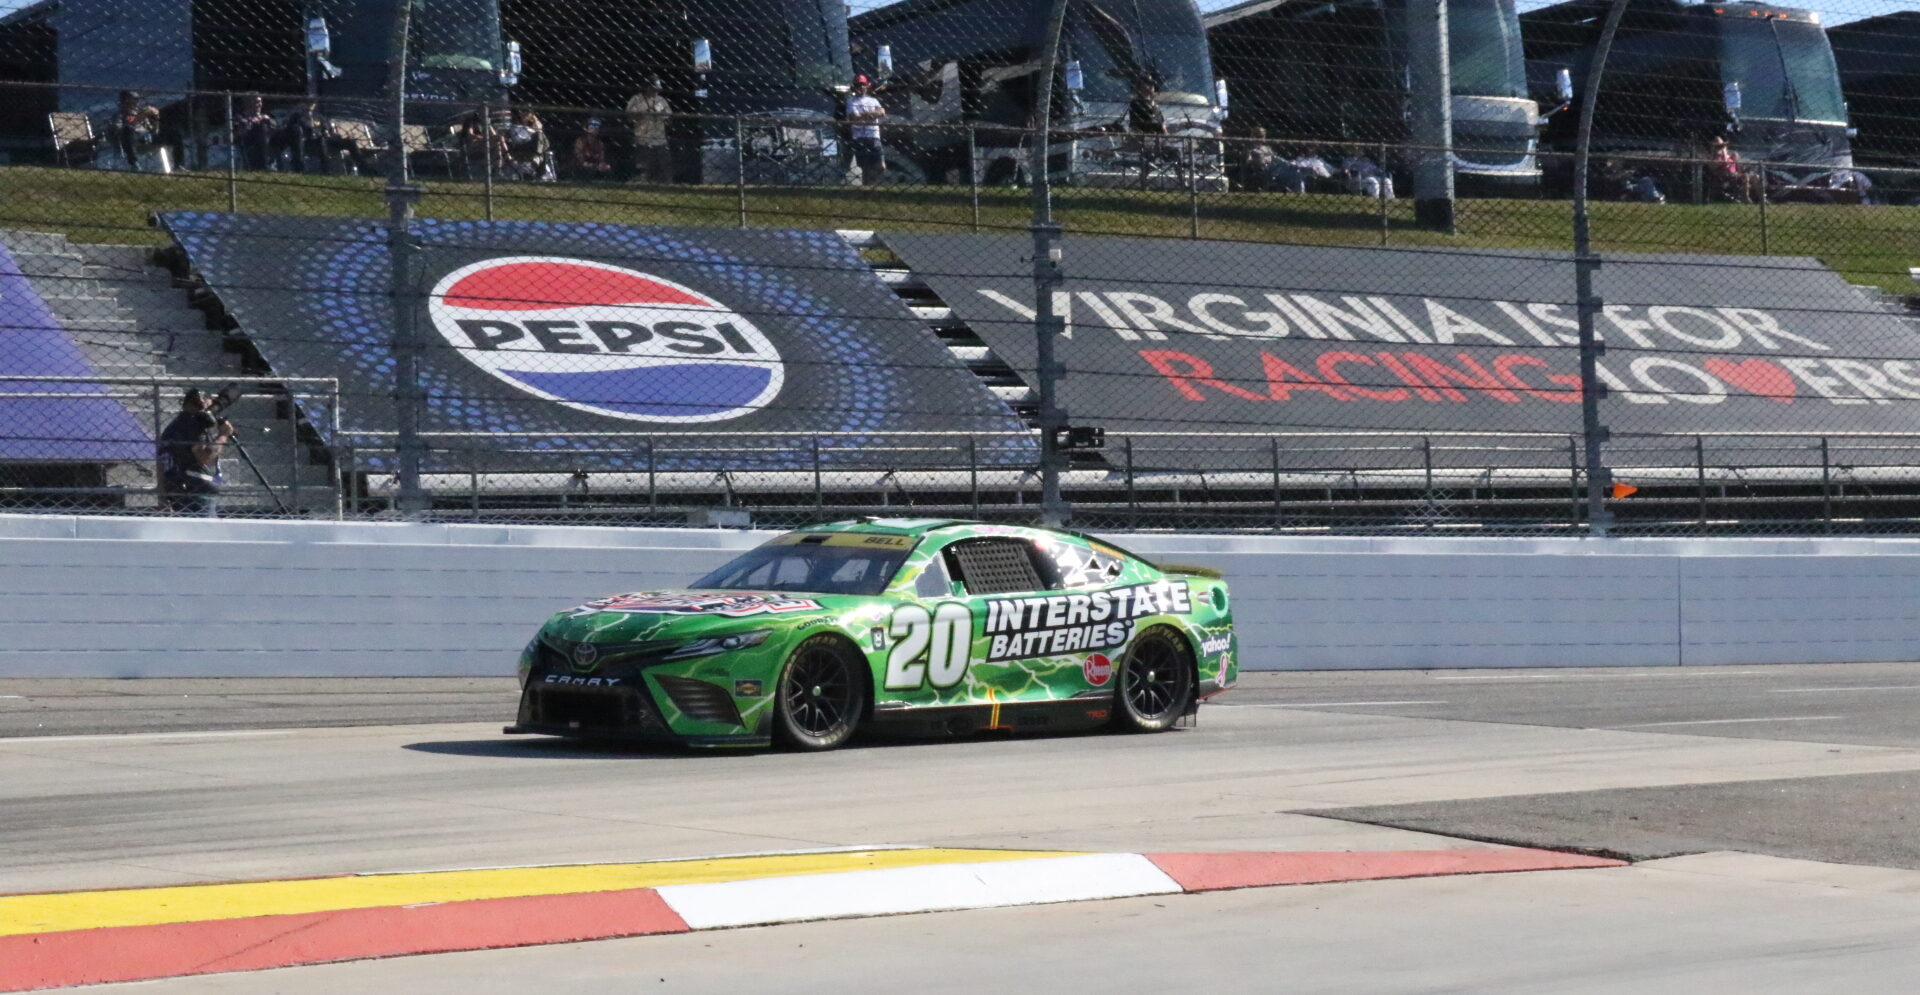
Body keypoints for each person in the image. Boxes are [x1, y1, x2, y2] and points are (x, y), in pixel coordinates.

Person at [156, 388, 233, 517]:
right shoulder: (193, 424)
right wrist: (223, 435)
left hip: (178, 488)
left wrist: (162, 493)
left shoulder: (173, 427)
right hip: (196, 492)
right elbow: (204, 457)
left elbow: (161, 462)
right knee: (205, 533)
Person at [626, 79, 673, 183]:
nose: (656, 92)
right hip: (643, 138)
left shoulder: (661, 100)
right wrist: (646, 112)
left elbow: (669, 120)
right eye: (653, 89)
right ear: (647, 88)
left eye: (657, 89)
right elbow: (629, 118)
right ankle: (642, 182)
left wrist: (662, 113)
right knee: (644, 168)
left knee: (665, 166)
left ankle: (667, 184)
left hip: (660, 139)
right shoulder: (636, 99)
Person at [846, 75, 887, 184]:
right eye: (858, 85)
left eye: (863, 84)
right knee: (865, 167)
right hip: (860, 137)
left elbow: (882, 112)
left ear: (867, 86)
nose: (860, 87)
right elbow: (854, 117)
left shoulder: (873, 100)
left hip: (874, 136)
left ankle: (870, 183)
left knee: (881, 166)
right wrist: (873, 114)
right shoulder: (851, 101)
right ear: (854, 87)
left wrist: (864, 115)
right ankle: (867, 188)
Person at [1127, 77, 1167, 188]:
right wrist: (1159, 128)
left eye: (1152, 84)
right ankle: (1144, 181)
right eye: (1147, 84)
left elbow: (1161, 121)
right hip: (1143, 137)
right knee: (1149, 152)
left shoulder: (1156, 105)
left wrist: (1164, 130)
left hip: (1158, 138)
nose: (1151, 87)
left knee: (1176, 152)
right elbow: (1139, 123)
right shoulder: (1136, 103)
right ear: (1140, 88)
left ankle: (1182, 182)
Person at [112, 90, 160, 170]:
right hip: (133, 140)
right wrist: (136, 120)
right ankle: (134, 163)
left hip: (147, 137)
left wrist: (155, 118)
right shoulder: (120, 114)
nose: (137, 102)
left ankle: (178, 165)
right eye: (134, 100)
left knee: (174, 133)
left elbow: (152, 129)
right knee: (128, 129)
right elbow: (118, 129)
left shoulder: (140, 113)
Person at [506, 108, 553, 181]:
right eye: (522, 111)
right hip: (522, 148)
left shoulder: (533, 129)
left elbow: (545, 142)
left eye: (528, 112)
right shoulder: (515, 127)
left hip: (536, 149)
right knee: (540, 138)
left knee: (540, 136)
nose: (524, 114)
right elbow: (517, 141)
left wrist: (537, 126)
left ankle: (538, 161)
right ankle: (540, 167)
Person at [232, 94, 274, 171]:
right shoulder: (240, 117)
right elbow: (236, 135)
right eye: (257, 102)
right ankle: (264, 166)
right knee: (260, 127)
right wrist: (251, 123)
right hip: (250, 143)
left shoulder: (265, 117)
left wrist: (269, 121)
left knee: (295, 129)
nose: (259, 105)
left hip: (270, 141)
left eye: (260, 102)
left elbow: (275, 128)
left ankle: (299, 167)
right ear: (249, 104)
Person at [1239, 127, 1275, 192]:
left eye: (1262, 136)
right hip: (1253, 171)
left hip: (1267, 169)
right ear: (1253, 136)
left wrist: (1264, 160)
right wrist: (1258, 159)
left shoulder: (1267, 148)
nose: (1260, 138)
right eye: (1258, 136)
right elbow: (1248, 160)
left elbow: (1271, 159)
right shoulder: (1248, 148)